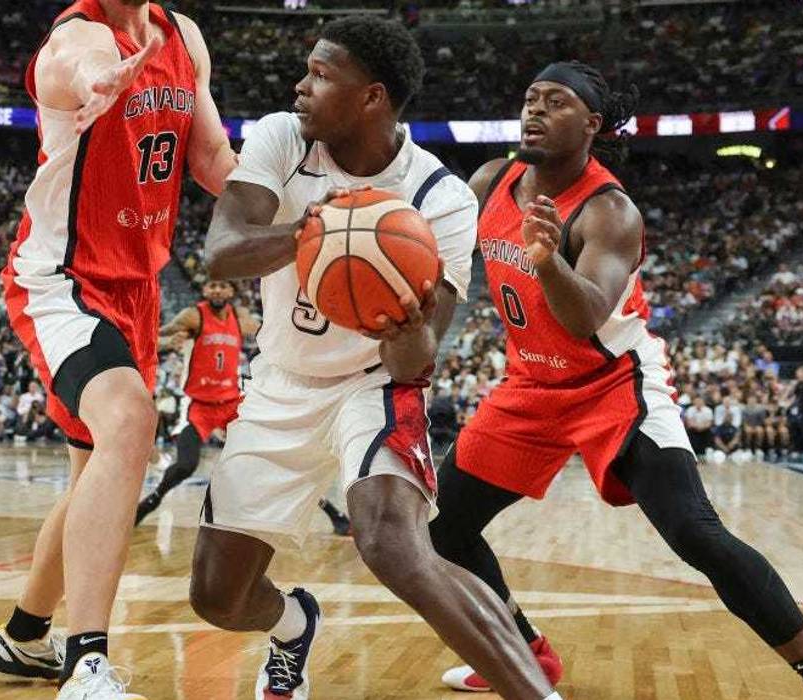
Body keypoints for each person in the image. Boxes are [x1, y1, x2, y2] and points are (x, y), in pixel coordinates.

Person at [427, 61, 803, 700]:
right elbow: (434, 245)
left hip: (614, 387)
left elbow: (583, 318)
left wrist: (547, 262)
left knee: (695, 532)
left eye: (555, 102)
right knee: (444, 525)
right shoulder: (492, 179)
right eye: (530, 98)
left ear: (592, 124)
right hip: (530, 386)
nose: (535, 111)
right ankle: (527, 652)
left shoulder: (610, 211)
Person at [187, 16, 561, 700]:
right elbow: (222, 250)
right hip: (279, 381)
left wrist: (405, 319)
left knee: (393, 544)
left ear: (372, 98)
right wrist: (313, 231)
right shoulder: (281, 137)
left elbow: (414, 365)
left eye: (322, 75)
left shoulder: (437, 198)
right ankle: (292, 624)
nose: (301, 86)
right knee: (216, 598)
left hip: (370, 385)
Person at [0, 0, 236, 697]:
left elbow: (211, 159)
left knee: (98, 470)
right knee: (128, 420)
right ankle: (86, 662)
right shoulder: (77, 37)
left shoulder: (183, 36)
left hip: (139, 289)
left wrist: (292, 195)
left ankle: (23, 636)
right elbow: (79, 62)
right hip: (63, 278)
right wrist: (99, 81)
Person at [134, 280, 258, 524]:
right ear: (204, 290)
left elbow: (266, 331)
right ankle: (152, 501)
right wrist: (169, 342)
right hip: (198, 405)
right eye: (212, 285)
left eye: (222, 286)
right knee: (186, 465)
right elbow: (158, 334)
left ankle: (329, 511)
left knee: (267, 454)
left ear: (231, 291)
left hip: (232, 403)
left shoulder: (240, 319)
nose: (217, 290)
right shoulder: (193, 316)